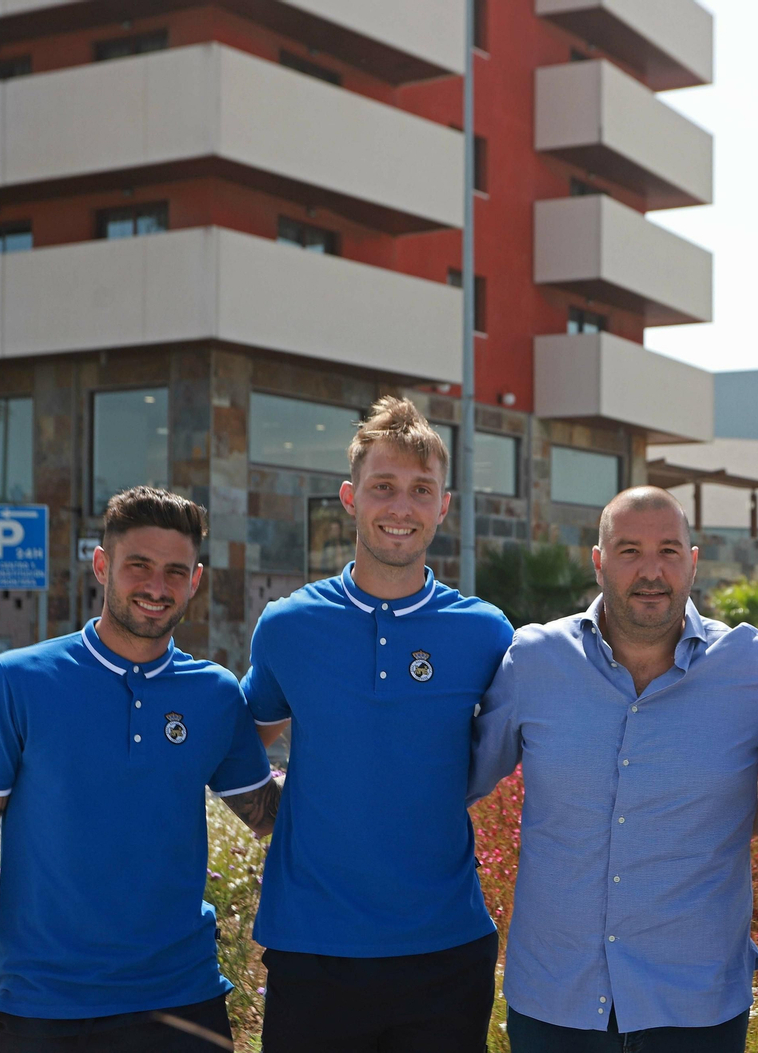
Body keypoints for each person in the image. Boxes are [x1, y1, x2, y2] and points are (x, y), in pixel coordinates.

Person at [0, 486, 277, 1053]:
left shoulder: (215, 695)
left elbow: (271, 819)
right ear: (102, 566)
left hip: (184, 1001)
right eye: (138, 565)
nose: (156, 587)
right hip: (45, 1007)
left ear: (195, 581)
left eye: (175, 571)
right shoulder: (17, 681)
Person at [469, 486, 758, 1053]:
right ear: (598, 561)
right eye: (629, 551)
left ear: (692, 562)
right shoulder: (534, 661)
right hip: (555, 1001)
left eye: (668, 551)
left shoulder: (750, 668)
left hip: (696, 1006)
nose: (651, 571)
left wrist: (724, 813)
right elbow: (459, 781)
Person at [243, 396, 513, 1053]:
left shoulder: (484, 632)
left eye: (421, 489)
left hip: (446, 952)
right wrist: (274, 813)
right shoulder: (289, 626)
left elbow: (515, 747)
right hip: (313, 951)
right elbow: (242, 743)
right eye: (383, 486)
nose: (401, 506)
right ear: (350, 497)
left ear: (444, 505)